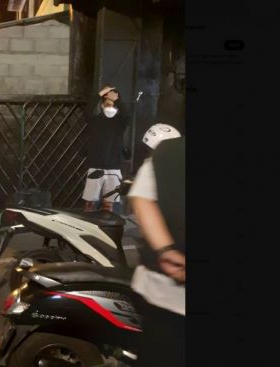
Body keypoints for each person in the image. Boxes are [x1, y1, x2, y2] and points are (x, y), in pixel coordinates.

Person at [127, 125, 184, 367]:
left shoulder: (166, 154)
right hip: (168, 296)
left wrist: (165, 250)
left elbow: (142, 199)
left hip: (159, 293)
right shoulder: (168, 152)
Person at [83, 85, 132, 213]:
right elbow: (87, 111)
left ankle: (106, 229)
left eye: (112, 104)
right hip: (96, 165)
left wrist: (117, 100)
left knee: (108, 205)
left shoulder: (120, 122)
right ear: (102, 105)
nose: (109, 106)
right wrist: (100, 94)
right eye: (107, 103)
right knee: (89, 204)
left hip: (114, 167)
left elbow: (127, 116)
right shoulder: (95, 120)